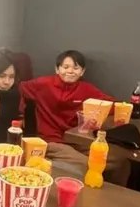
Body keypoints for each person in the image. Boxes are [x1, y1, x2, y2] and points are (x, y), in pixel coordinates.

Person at [16, 49, 130, 184]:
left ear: (82, 71)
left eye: (76, 68)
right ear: (57, 69)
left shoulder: (86, 89)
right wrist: (21, 112)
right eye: (65, 67)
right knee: (91, 165)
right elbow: (19, 89)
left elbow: (111, 104)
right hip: (51, 141)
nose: (70, 71)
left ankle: (112, 192)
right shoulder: (43, 84)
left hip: (77, 140)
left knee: (122, 161)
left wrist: (123, 110)